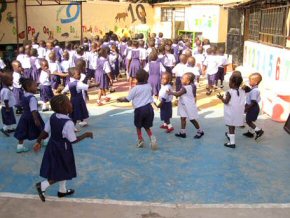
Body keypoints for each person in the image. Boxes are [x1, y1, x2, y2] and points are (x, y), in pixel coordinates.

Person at [34, 94, 93, 202]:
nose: (71, 104)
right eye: (69, 102)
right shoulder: (68, 123)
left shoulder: (53, 116)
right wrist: (86, 135)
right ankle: (42, 185)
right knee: (62, 170)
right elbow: (73, 140)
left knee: (62, 169)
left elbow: (46, 131)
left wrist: (38, 140)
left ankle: (62, 190)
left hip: (53, 146)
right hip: (63, 149)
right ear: (64, 107)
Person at [117, 69, 157, 150]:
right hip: (149, 109)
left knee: (138, 126)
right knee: (147, 126)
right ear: (147, 78)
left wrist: (120, 99)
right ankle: (152, 137)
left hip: (139, 110)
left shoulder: (135, 89)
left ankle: (140, 140)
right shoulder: (149, 86)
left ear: (136, 79)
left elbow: (128, 99)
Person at [168, 73, 204, 139]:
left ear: (188, 81)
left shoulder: (186, 88)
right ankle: (182, 132)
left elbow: (178, 94)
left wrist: (171, 93)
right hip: (183, 105)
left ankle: (200, 131)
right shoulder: (190, 86)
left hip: (188, 106)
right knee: (183, 118)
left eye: (183, 78)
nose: (181, 79)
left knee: (192, 119)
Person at [14, 78, 44, 153]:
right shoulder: (32, 98)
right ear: (28, 87)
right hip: (33, 116)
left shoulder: (24, 96)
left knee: (23, 130)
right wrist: (36, 119)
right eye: (34, 86)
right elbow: (33, 110)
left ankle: (20, 146)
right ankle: (43, 140)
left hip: (24, 116)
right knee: (41, 128)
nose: (36, 87)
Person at [217, 71, 246, 148]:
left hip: (231, 112)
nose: (229, 83)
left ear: (232, 84)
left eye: (229, 82)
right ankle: (230, 135)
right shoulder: (242, 90)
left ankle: (232, 143)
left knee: (231, 126)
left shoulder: (229, 92)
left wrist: (221, 98)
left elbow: (226, 102)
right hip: (239, 111)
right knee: (233, 125)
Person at [243, 73, 264, 140]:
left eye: (250, 80)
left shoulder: (255, 91)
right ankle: (250, 133)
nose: (249, 82)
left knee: (248, 121)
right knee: (249, 120)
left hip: (253, 108)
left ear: (256, 82)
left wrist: (246, 108)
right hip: (252, 107)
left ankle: (258, 130)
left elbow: (253, 102)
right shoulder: (254, 89)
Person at [0, 71, 16, 136]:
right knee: (8, 119)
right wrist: (7, 108)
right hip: (7, 107)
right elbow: (6, 100)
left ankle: (9, 128)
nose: (12, 82)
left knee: (9, 118)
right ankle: (4, 129)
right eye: (11, 80)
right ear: (5, 81)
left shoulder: (4, 89)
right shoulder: (6, 90)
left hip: (5, 107)